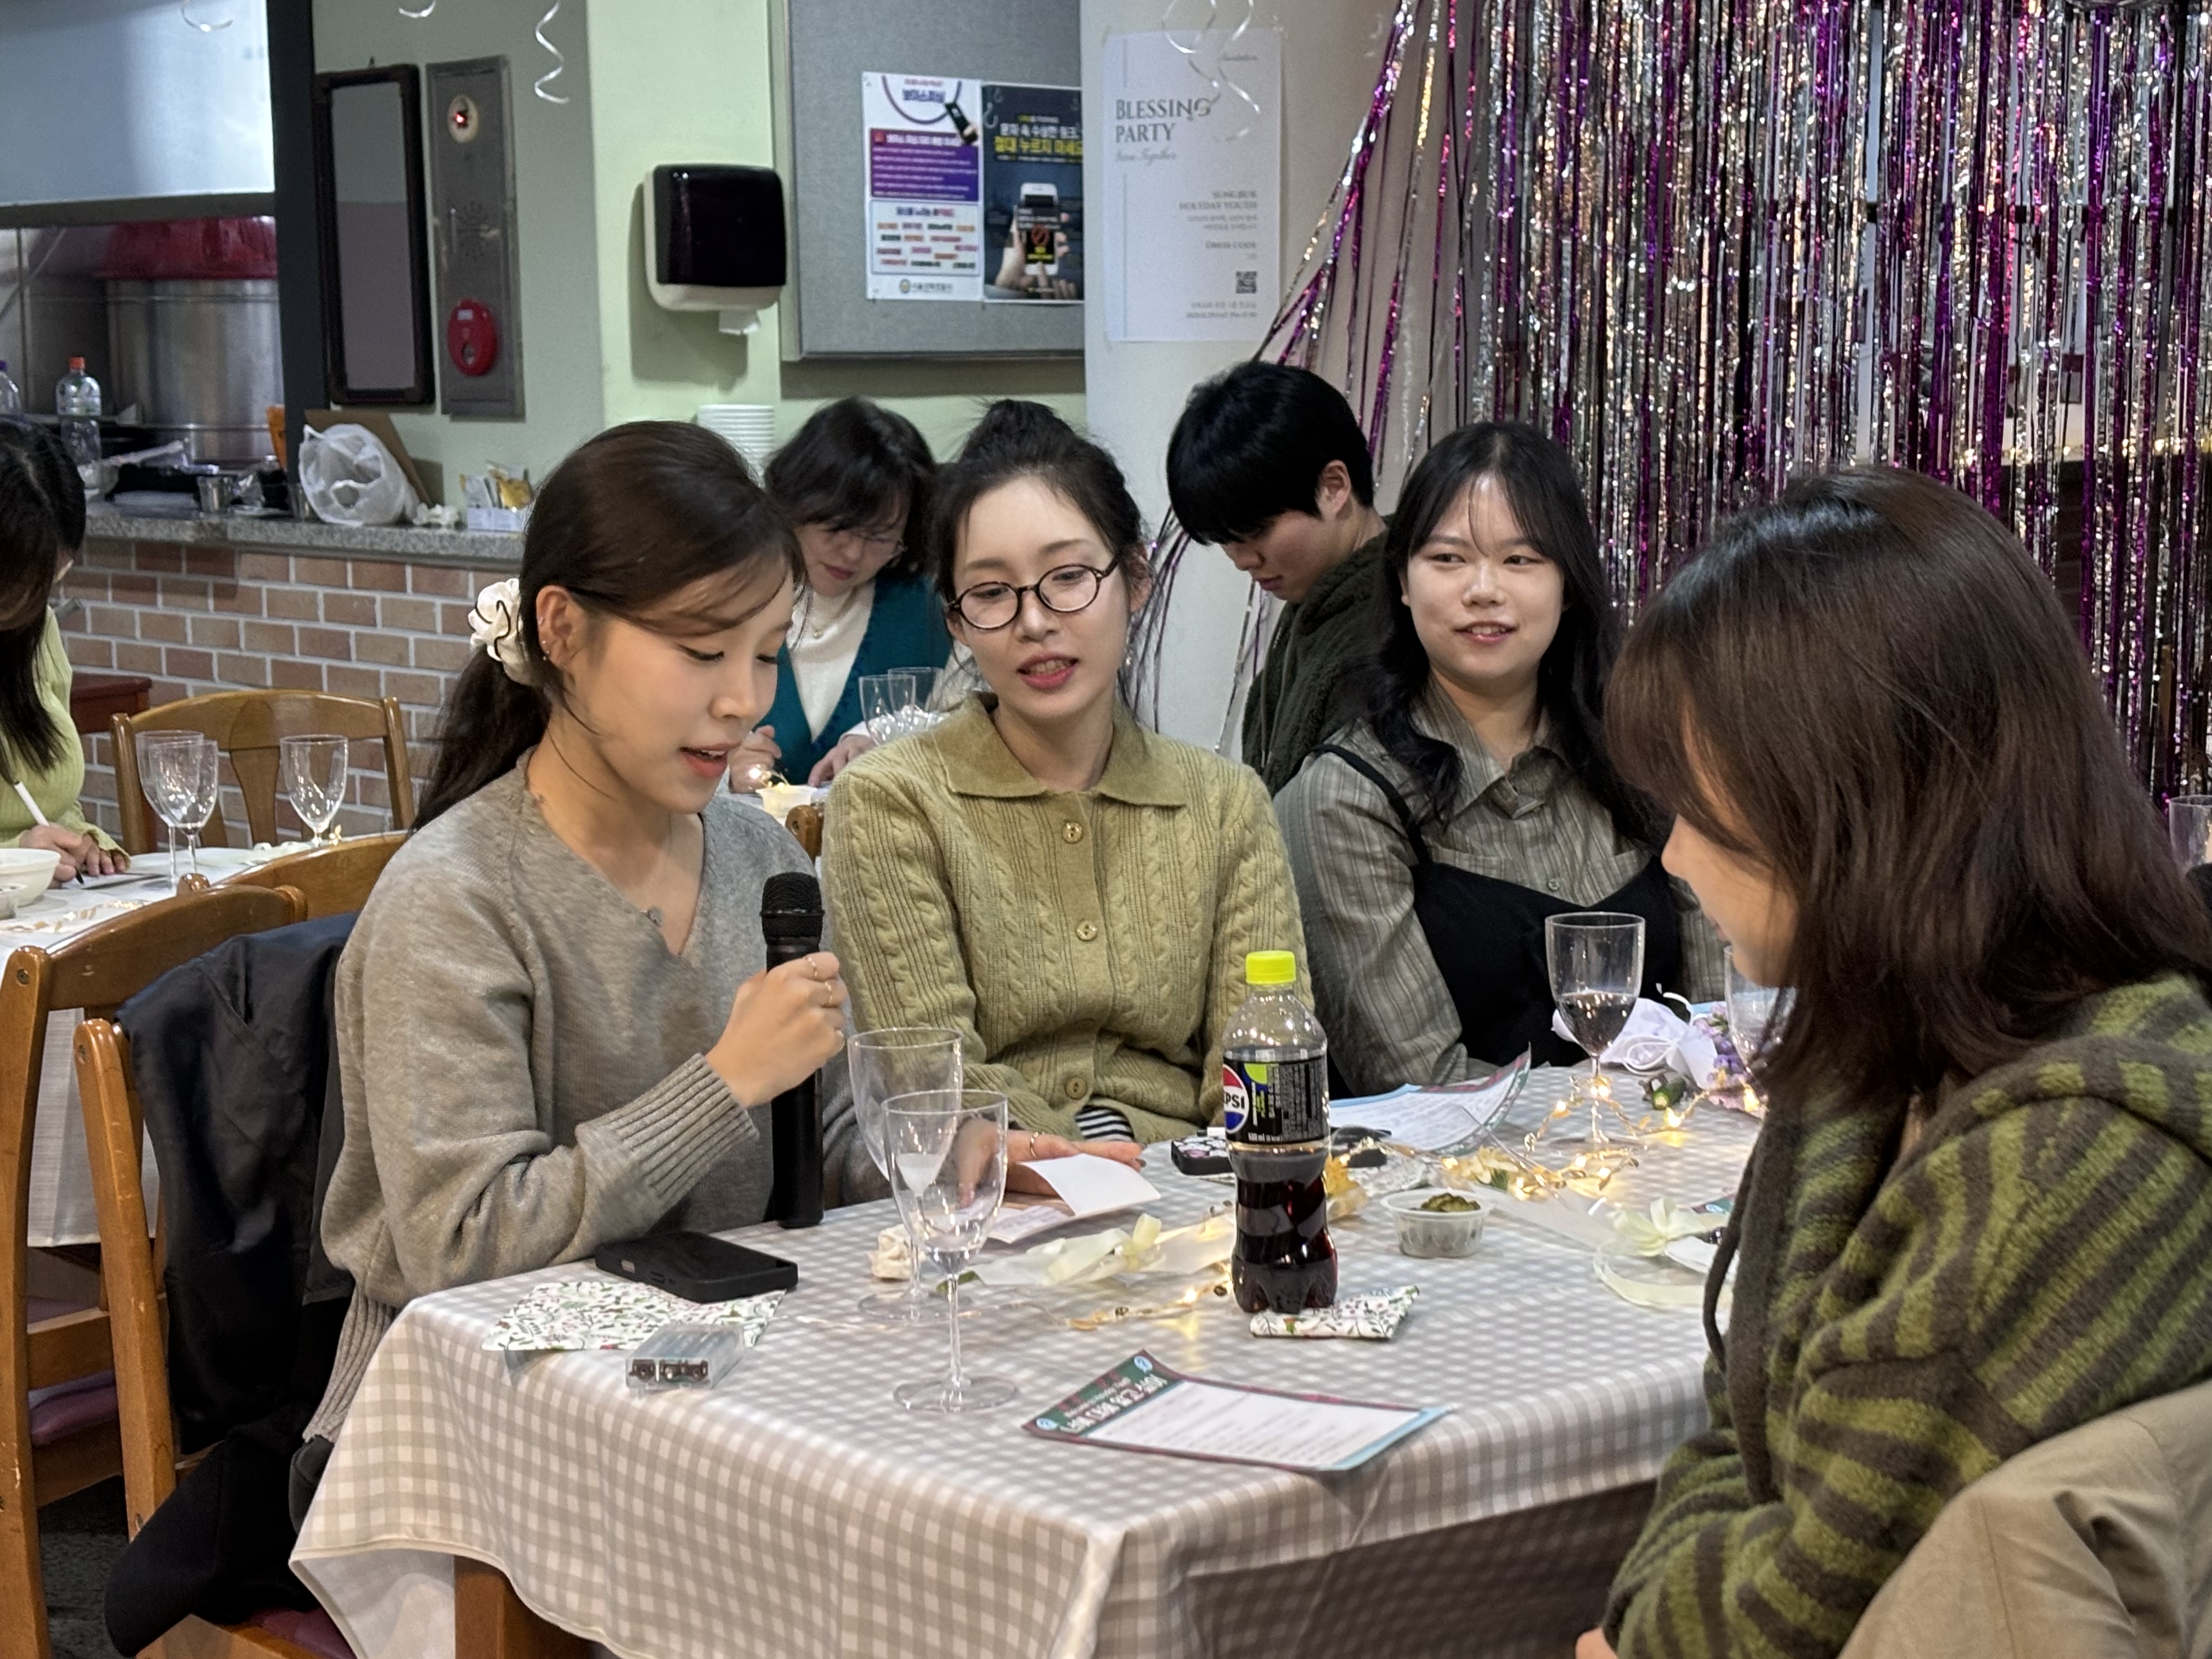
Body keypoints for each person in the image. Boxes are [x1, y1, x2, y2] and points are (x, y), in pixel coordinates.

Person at [1579, 469, 2212, 1659]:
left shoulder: (2062, 1167)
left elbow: (1795, 1608)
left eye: (1702, 810)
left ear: (1854, 803)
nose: (1673, 856)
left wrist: (1644, 1626)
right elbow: (1741, 1424)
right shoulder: (1893, 1049)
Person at [302, 422, 858, 1458]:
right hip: (467, 1424)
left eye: (766, 652)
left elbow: (823, 1137)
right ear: (561, 627)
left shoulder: (761, 855)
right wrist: (723, 1083)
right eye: (702, 651)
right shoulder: (455, 897)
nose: (743, 700)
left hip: (711, 1386)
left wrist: (947, 1152)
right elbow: (461, 1245)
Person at [825, 400, 1305, 1145]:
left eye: (1069, 577)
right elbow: (935, 1079)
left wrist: (1245, 1182)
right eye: (991, 593)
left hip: (1194, 1183)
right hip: (999, 1184)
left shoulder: (1225, 804)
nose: (1035, 622)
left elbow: (1266, 1052)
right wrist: (1084, 1164)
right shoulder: (892, 801)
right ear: (955, 621)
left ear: (1135, 578)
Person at [1276, 422, 1720, 1094]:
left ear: (1567, 584)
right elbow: (1421, 1086)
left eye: (1520, 559)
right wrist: (1613, 1110)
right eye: (1449, 558)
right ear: (1402, 580)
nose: (1483, 589)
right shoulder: (1346, 799)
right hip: (1468, 1161)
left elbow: (1718, 1024)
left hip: (1677, 1144)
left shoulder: (1645, 753)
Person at [1166, 362, 1387, 793]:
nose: (1242, 560)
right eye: (1226, 541)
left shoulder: (1400, 624)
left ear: (1334, 487)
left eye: (1255, 531)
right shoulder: (1319, 604)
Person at [742, 398, 947, 786]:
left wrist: (891, 738)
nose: (853, 554)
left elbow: (971, 725)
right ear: (794, 506)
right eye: (838, 527)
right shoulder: (736, 599)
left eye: (880, 537)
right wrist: (721, 772)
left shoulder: (923, 610)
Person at [0, 421, 126, 879]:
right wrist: (14, 857)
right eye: (23, 581)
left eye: (51, 578)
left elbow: (48, 800)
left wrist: (80, 839)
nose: (37, 599)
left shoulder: (35, 629)